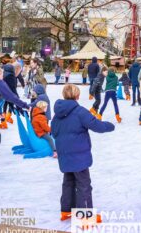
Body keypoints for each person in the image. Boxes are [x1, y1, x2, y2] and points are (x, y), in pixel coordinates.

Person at [51, 84, 115, 222]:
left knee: (68, 181)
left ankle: (66, 211)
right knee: (84, 184)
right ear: (77, 96)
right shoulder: (80, 111)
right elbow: (96, 125)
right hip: (78, 155)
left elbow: (54, 132)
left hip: (64, 154)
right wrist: (109, 126)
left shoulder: (57, 114)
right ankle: (85, 216)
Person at [0, 63, 22, 129]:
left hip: (0, 95)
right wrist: (19, 105)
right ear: (17, 69)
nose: (19, 74)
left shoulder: (6, 72)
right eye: (19, 71)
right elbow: (13, 92)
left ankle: (3, 121)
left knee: (0, 107)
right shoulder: (11, 76)